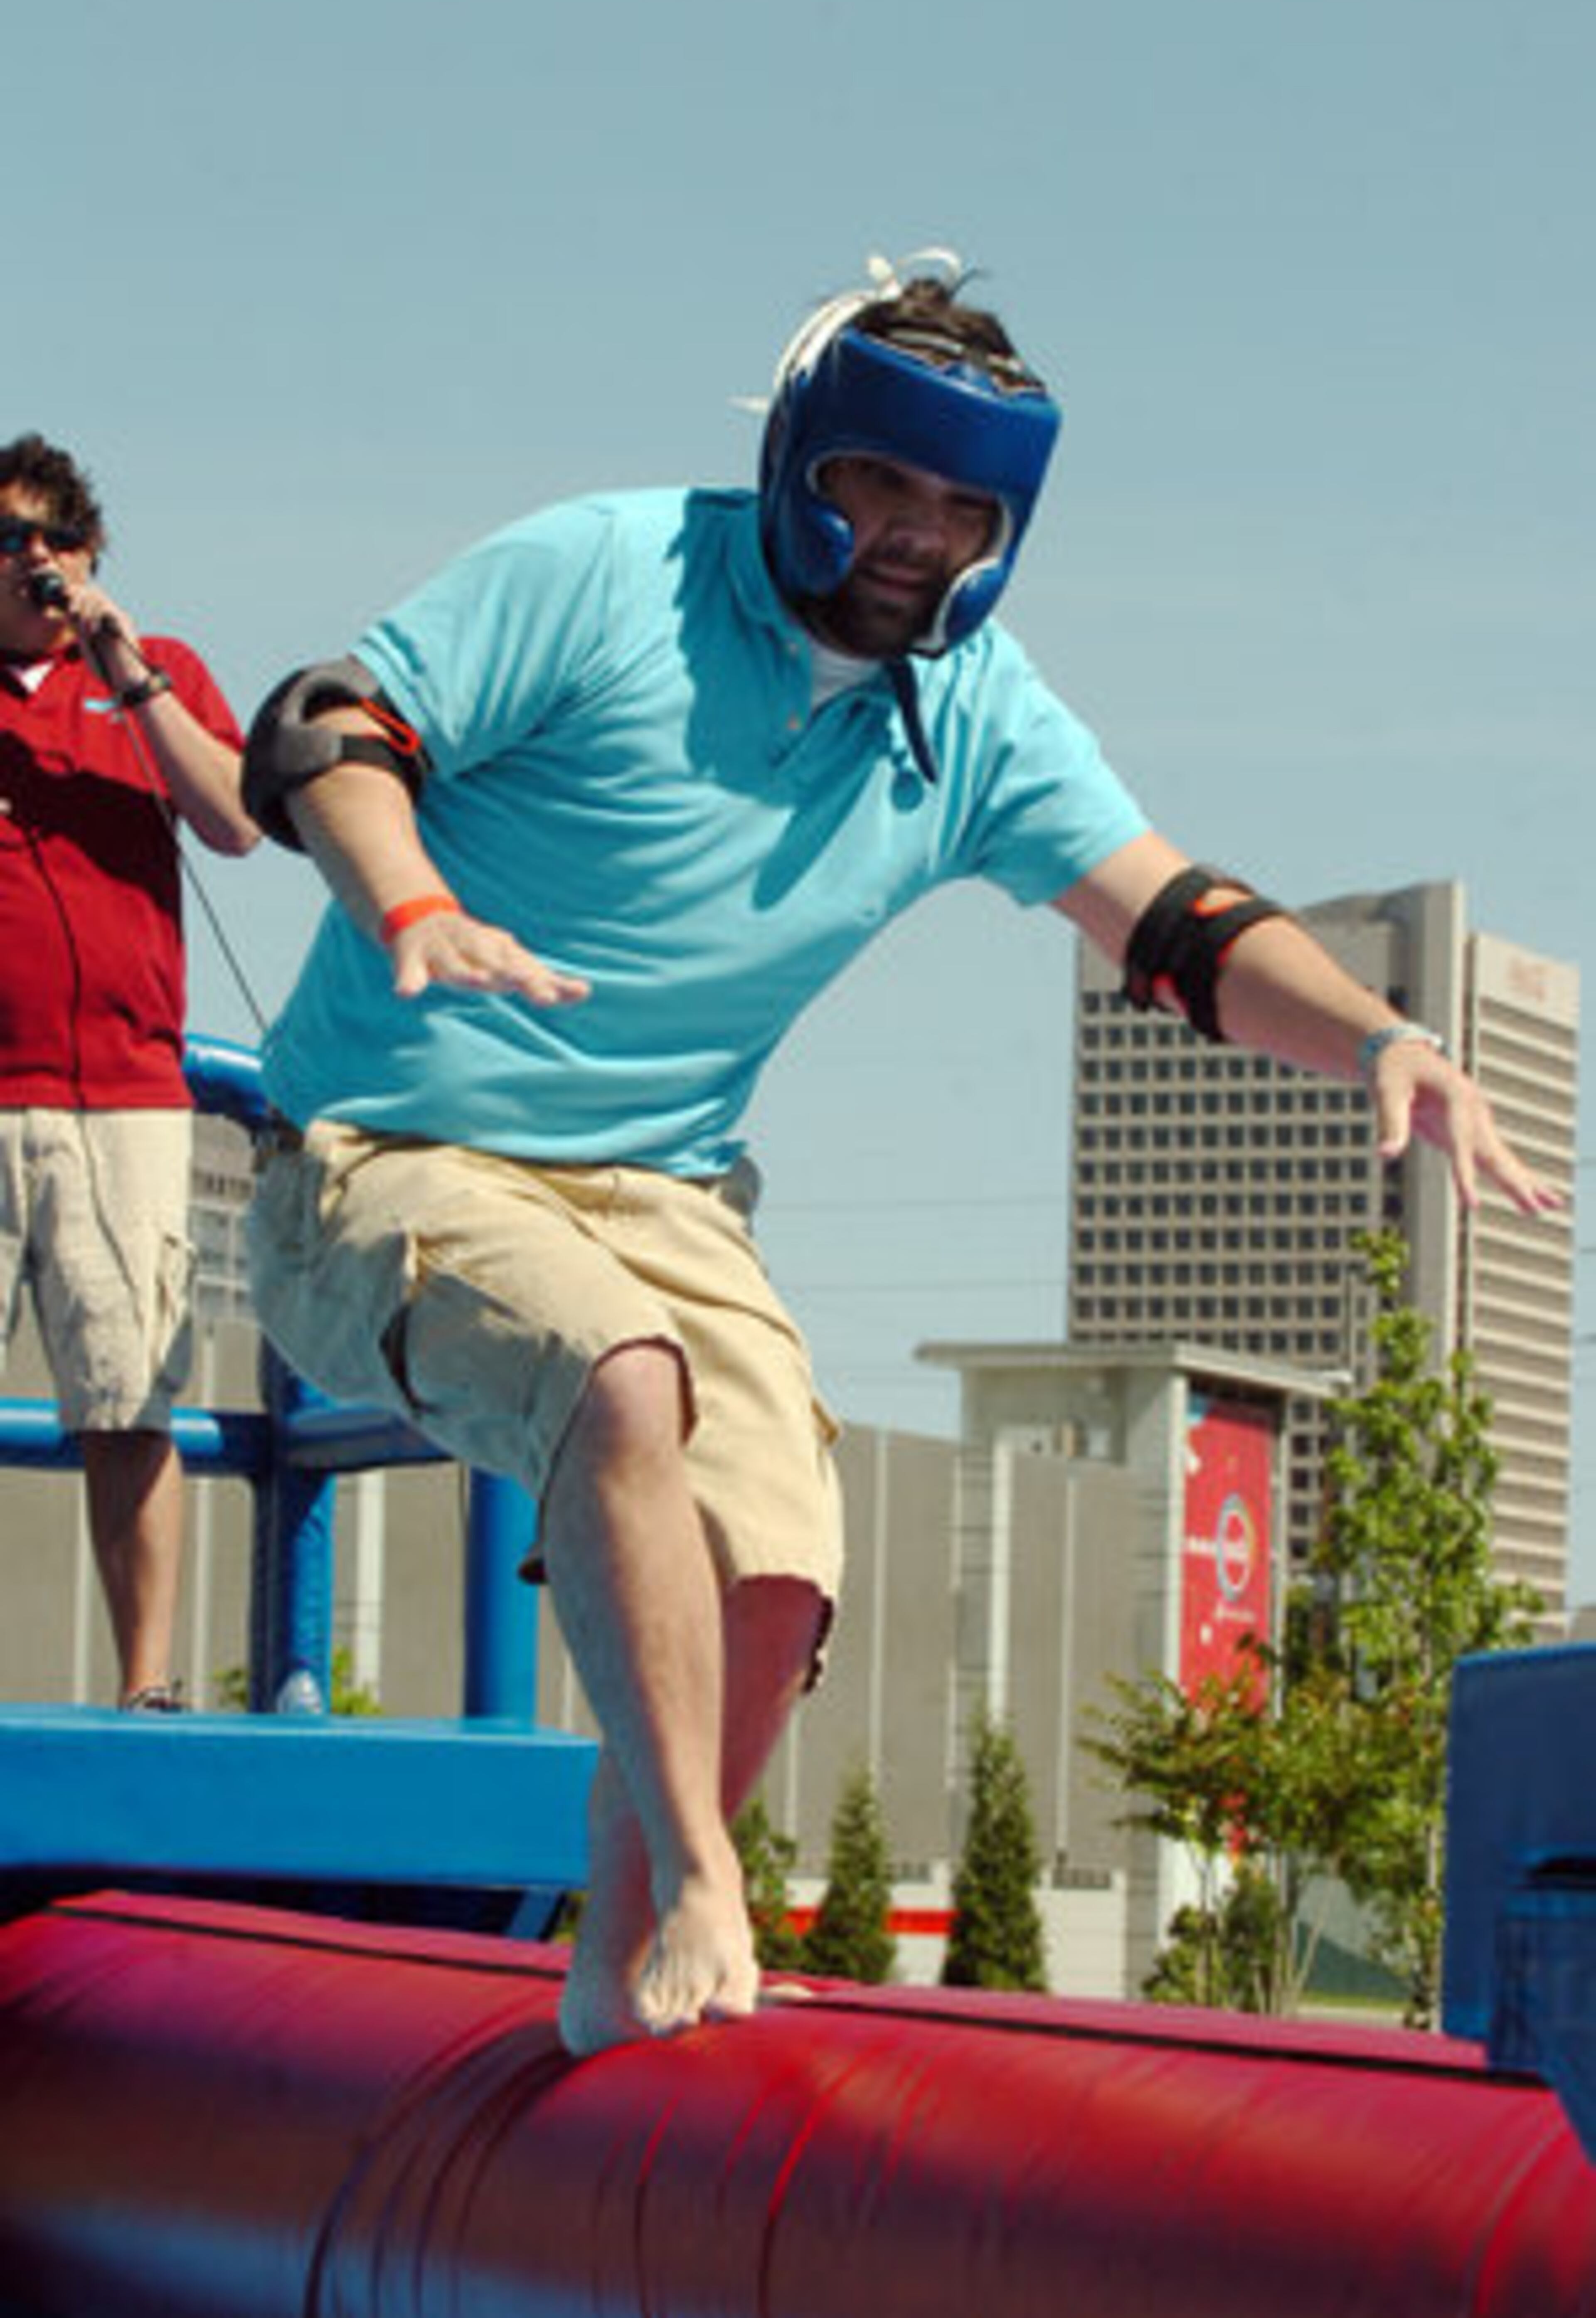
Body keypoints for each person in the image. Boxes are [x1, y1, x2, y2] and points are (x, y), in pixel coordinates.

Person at [241, 251, 1557, 2058]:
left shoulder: (977, 712)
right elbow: (327, 722)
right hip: (387, 1157)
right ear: (802, 459)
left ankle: (617, 1991)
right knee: (622, 1384)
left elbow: (1176, 920)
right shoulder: (609, 568)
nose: (919, 538)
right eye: (882, 486)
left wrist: (1386, 1038)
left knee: (780, 1539)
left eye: (965, 508)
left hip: (665, 1189)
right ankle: (708, 1878)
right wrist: (411, 896)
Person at [0, 434, 259, 1710]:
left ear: (92, 555)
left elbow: (236, 821)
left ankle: (147, 1682)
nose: (33, 561)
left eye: (56, 539)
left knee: (128, 1394)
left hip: (125, 1097)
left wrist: (127, 666)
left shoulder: (156, 677)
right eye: (8, 540)